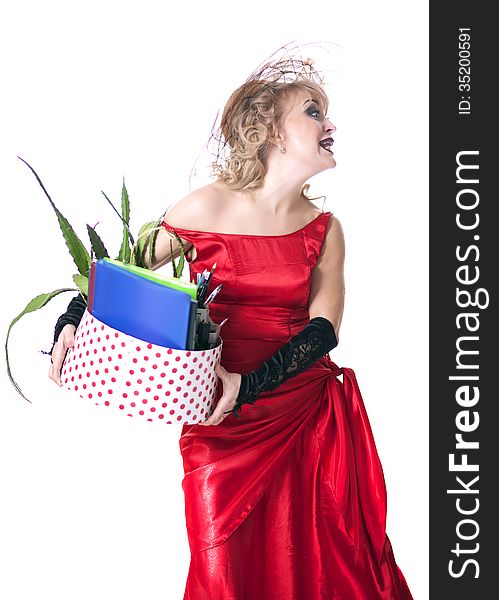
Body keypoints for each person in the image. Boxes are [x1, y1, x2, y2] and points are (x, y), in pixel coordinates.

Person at [49, 51, 413, 599]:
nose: (331, 124)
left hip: (304, 416)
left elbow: (323, 332)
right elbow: (119, 270)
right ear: (270, 129)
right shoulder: (203, 207)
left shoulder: (326, 230)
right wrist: (71, 322)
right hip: (218, 425)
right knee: (224, 574)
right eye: (314, 111)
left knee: (324, 569)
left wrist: (248, 386)